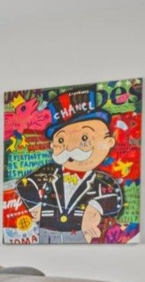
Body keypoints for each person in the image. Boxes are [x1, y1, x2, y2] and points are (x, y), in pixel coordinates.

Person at [15, 88, 124, 243]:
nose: (70, 147)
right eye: (61, 140)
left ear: (108, 142)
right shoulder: (48, 172)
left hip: (80, 233)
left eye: (84, 137)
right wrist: (34, 207)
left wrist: (95, 208)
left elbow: (115, 198)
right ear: (53, 145)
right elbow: (24, 185)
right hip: (47, 232)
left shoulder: (102, 180)